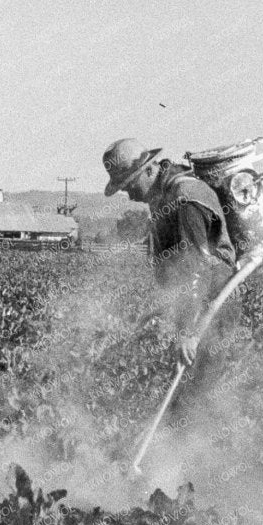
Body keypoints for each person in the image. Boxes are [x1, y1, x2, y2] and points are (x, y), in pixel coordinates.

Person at [103, 137, 238, 401]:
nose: (128, 194)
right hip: (197, 305)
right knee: (183, 394)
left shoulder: (184, 199)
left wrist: (189, 332)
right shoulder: (163, 196)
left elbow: (195, 266)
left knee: (193, 397)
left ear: (150, 169)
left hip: (213, 305)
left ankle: (206, 440)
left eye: (130, 184)